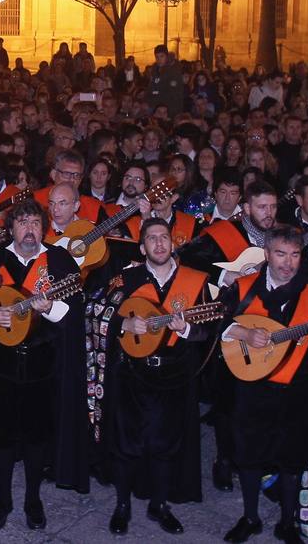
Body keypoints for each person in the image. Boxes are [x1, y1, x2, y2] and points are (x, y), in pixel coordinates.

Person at [219, 226, 308, 544]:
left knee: (293, 460)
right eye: (280, 254)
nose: (288, 263)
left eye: (294, 255)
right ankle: (250, 518)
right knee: (248, 456)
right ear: (266, 254)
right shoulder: (243, 289)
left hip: (298, 392)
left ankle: (287, 523)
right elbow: (219, 325)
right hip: (252, 388)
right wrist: (245, 334)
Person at [0, 199, 82, 531]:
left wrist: (47, 309)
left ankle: (32, 497)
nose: (28, 228)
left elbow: (72, 313)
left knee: (36, 435)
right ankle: (3, 500)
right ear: (10, 228)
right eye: (21, 222)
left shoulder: (58, 260)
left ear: (43, 228)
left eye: (34, 222)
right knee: (0, 435)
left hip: (43, 364)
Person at [97, 216, 210, 535]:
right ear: (142, 246)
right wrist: (123, 325)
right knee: (126, 443)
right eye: (152, 239)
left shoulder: (195, 280)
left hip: (174, 375)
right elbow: (101, 311)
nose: (159, 243)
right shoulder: (127, 278)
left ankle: (159, 504)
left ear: (173, 242)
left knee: (166, 443)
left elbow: (208, 332)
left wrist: (185, 328)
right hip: (133, 373)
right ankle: (122, 505)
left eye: (164, 237)